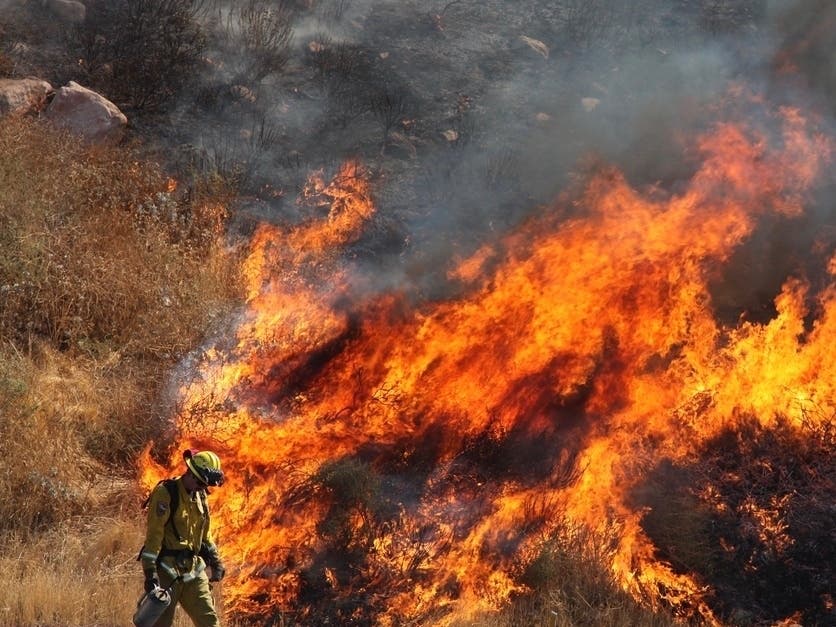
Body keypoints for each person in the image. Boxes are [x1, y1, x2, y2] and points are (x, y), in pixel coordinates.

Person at [139, 449, 227, 627]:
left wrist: (216, 561)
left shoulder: (200, 496)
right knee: (160, 624)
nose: (203, 489)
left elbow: (205, 534)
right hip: (167, 572)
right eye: (201, 484)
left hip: (194, 571)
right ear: (192, 475)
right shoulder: (166, 493)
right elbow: (154, 536)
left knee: (210, 622)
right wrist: (150, 574)